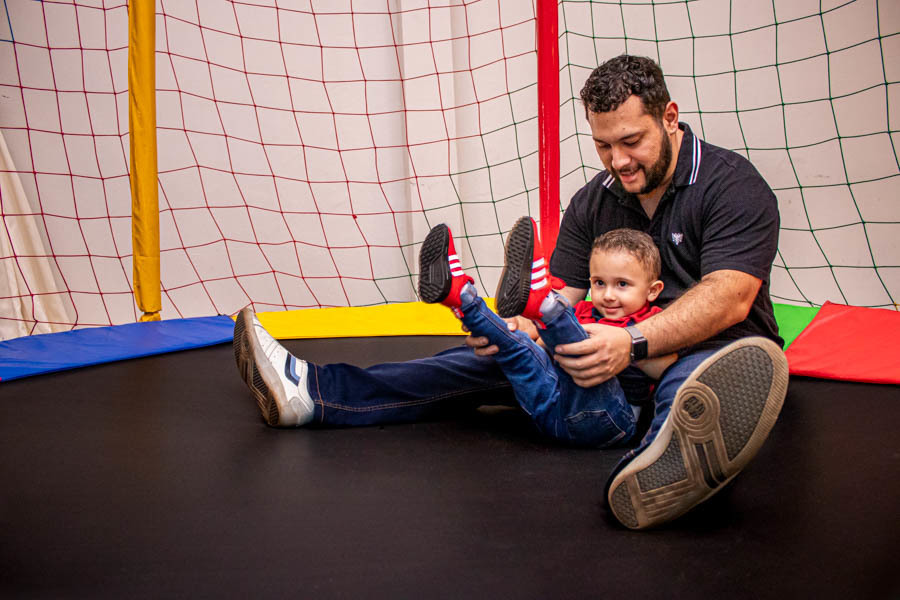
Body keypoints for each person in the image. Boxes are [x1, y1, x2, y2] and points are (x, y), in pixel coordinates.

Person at [232, 54, 789, 530]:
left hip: (712, 353)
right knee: (485, 359)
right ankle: (312, 394)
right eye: (602, 146)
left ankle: (656, 476)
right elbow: (565, 300)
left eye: (631, 142)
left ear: (669, 118)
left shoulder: (731, 185)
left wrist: (634, 343)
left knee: (688, 384)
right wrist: (519, 330)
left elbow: (730, 296)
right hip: (604, 355)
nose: (618, 161)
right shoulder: (596, 198)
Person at [417, 218, 676, 447]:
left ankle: (544, 305)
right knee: (517, 350)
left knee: (579, 345)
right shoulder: (584, 311)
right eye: (599, 283)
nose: (608, 295)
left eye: (622, 285)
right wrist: (510, 336)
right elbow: (540, 347)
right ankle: (463, 300)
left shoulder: (648, 322)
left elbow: (666, 367)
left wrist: (625, 347)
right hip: (549, 413)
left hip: (607, 421)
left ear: (653, 290)